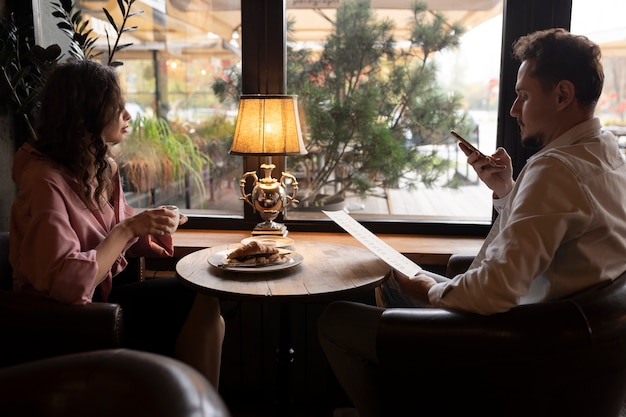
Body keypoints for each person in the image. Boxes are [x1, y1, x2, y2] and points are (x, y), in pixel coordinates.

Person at [318, 28, 626, 417]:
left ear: (563, 95)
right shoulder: (606, 151)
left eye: (524, 95)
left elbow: (497, 292)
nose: (515, 109)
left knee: (338, 319)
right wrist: (506, 191)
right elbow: (561, 236)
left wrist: (430, 290)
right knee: (397, 287)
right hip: (557, 336)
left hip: (517, 346)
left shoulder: (554, 169)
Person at [8, 59, 224, 387]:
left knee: (204, 295)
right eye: (118, 107)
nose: (128, 115)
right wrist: (129, 229)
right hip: (66, 319)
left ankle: (199, 402)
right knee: (198, 302)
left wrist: (152, 221)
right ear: (89, 113)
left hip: (107, 296)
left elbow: (116, 227)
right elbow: (67, 284)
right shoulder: (44, 181)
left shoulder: (101, 168)